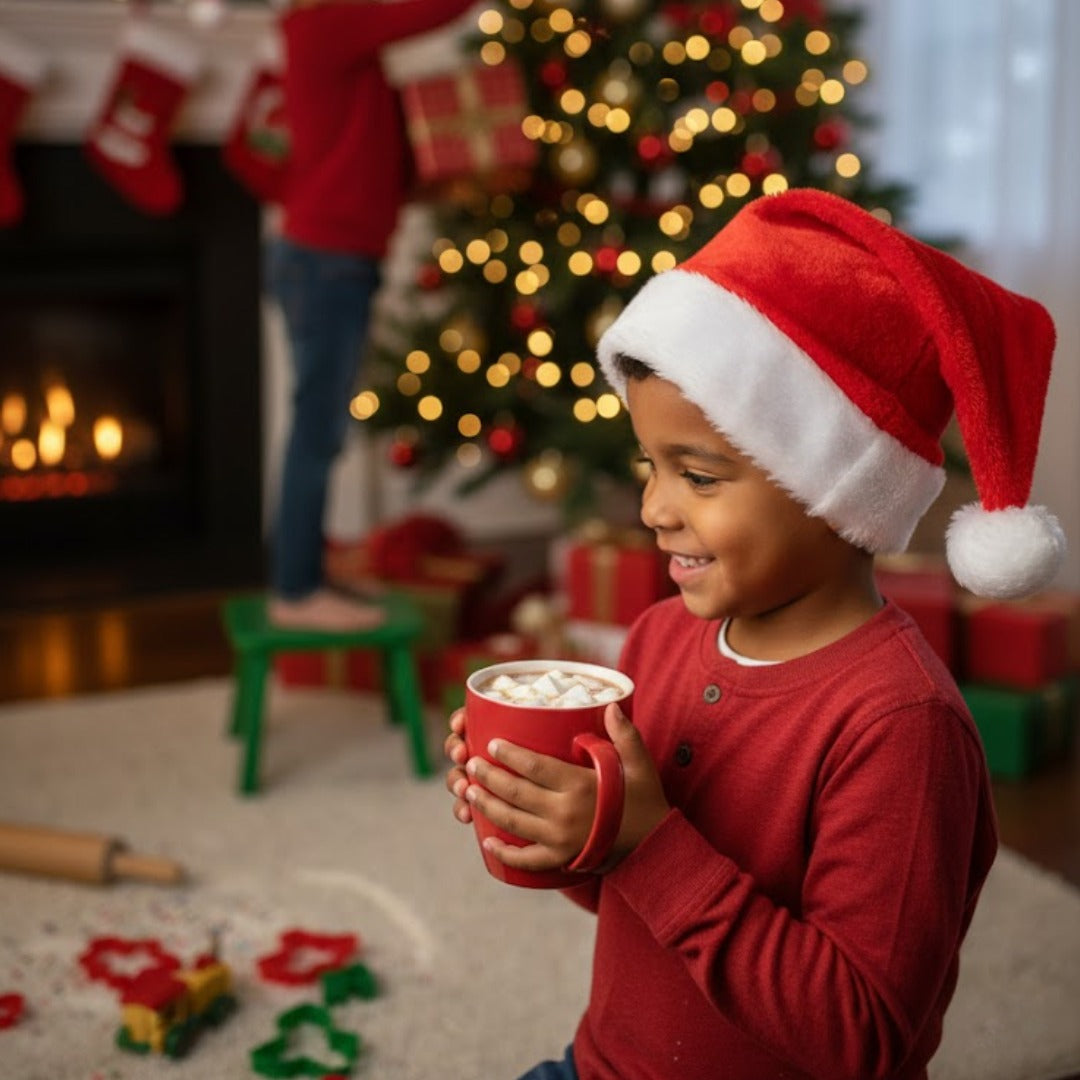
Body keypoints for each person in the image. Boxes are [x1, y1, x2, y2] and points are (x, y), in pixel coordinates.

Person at [444, 188, 1066, 1079]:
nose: (652, 510)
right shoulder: (658, 641)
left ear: (834, 493)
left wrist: (649, 842)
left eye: (697, 475)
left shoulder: (899, 724)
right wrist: (559, 826)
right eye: (648, 468)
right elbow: (635, 907)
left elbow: (862, 1036)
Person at [265, 0, 475, 630]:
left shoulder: (339, 42)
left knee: (318, 431)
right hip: (327, 262)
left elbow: (362, 152)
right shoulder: (322, 23)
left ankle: (305, 577)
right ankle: (296, 591)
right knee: (317, 433)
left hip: (333, 259)